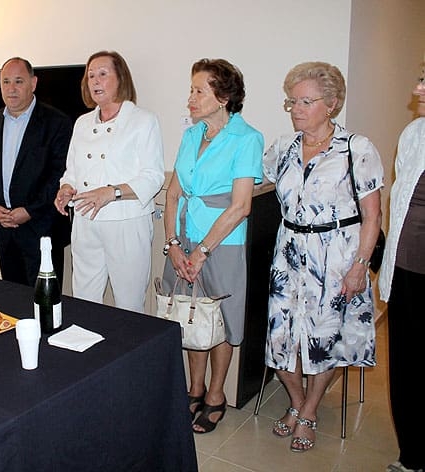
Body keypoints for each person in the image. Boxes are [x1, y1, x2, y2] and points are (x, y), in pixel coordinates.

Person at [263, 61, 383, 453]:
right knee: (281, 341)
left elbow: (372, 215)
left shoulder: (356, 148)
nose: (296, 108)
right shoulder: (283, 147)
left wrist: (360, 266)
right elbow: (253, 183)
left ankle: (309, 410)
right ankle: (297, 403)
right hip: (289, 257)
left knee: (323, 340)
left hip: (336, 258)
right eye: (291, 101)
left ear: (330, 104)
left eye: (305, 101)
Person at [163, 58, 264, 434]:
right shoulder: (191, 135)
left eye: (198, 91)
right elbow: (173, 193)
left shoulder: (247, 138)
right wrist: (173, 244)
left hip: (222, 244)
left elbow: (241, 206)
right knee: (190, 315)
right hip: (183, 239)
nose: (190, 98)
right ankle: (194, 388)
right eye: (191, 90)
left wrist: (201, 251)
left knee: (219, 321)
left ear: (223, 97)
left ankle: (216, 395)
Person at [54, 50, 164, 313]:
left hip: (126, 222)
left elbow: (153, 176)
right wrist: (66, 188)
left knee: (128, 304)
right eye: (91, 75)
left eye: (103, 74)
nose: (95, 81)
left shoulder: (142, 121)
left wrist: (111, 192)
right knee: (84, 299)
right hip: (85, 220)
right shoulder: (81, 123)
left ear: (121, 79)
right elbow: (72, 171)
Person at [0, 57, 73, 287]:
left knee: (45, 303)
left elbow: (59, 175)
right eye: (6, 82)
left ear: (33, 83)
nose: (11, 88)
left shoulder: (57, 122)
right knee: (11, 301)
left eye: (18, 81)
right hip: (4, 231)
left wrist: (29, 211)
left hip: (42, 230)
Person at [379, 72, 425, 472]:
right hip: (408, 270)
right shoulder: (414, 134)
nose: (417, 89)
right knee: (407, 366)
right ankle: (411, 454)